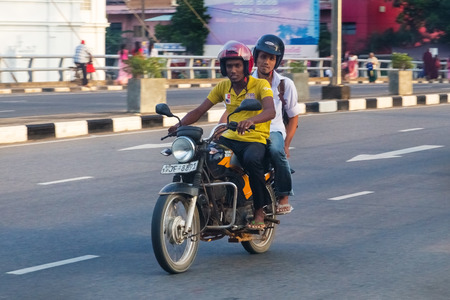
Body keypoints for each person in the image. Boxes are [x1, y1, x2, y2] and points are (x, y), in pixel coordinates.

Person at [168, 40, 275, 230]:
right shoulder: (223, 87)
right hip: (229, 138)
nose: (233, 70)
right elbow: (200, 110)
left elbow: (270, 111)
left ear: (246, 66)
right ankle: (214, 205)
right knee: (205, 157)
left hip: (254, 139)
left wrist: (252, 121)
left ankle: (259, 211)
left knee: (251, 160)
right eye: (229, 66)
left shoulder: (260, 85)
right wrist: (180, 124)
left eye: (237, 65)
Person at [220, 34, 300, 215]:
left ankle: (284, 195)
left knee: (276, 151)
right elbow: (232, 109)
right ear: (255, 57)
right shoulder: (246, 81)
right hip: (245, 129)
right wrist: (220, 128)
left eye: (272, 58)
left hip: (273, 129)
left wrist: (286, 144)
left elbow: (293, 117)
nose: (266, 62)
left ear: (277, 61)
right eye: (263, 56)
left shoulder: (285, 85)